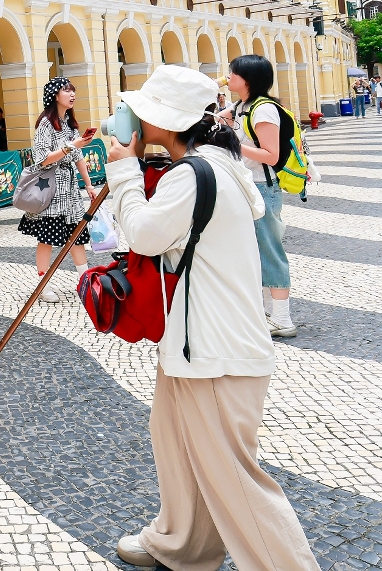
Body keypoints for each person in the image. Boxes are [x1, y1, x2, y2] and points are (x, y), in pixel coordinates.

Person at [105, 65, 318, 571]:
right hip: (198, 339)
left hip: (212, 348)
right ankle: (184, 543)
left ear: (163, 121)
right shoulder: (215, 162)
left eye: (141, 110)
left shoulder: (193, 174)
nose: (131, 116)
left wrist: (124, 171)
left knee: (235, 477)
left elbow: (143, 235)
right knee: (175, 440)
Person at [227, 55, 297, 337]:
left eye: (232, 73)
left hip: (263, 188)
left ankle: (283, 318)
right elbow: (209, 118)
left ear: (248, 79)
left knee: (270, 250)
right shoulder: (240, 106)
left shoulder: (264, 109)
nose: (227, 77)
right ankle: (268, 313)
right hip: (247, 186)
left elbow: (271, 155)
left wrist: (232, 144)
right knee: (255, 251)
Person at [17, 77, 96, 302]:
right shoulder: (45, 124)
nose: (72, 94)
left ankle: (85, 281)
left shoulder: (70, 123)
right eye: (66, 90)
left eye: (72, 90)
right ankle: (44, 285)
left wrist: (89, 184)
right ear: (54, 95)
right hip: (51, 189)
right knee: (47, 238)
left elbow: (78, 157)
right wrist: (71, 146)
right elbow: (42, 159)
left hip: (70, 191)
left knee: (76, 236)